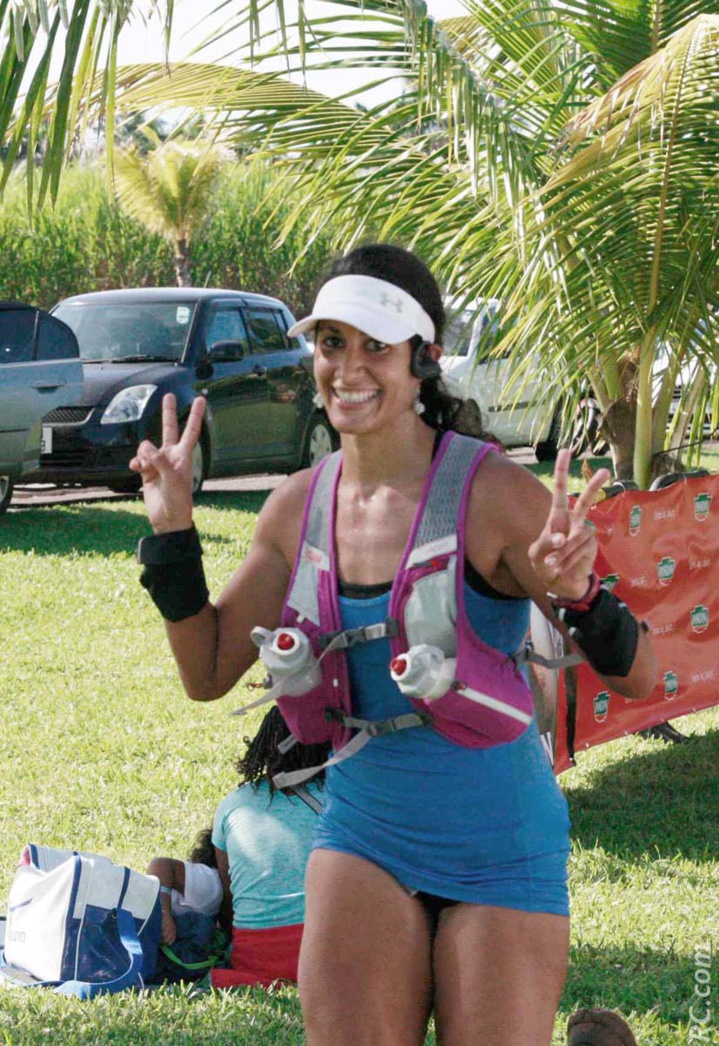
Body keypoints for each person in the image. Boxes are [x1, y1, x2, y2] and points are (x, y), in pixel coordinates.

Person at [131, 242, 657, 1045]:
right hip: (364, 837)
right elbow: (206, 672)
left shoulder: (491, 494)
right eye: (331, 342)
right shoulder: (296, 508)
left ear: (425, 359)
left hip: (499, 846)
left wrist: (582, 594)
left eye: (375, 346)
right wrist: (172, 536)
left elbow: (641, 679)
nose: (348, 368)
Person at [209, 705, 328, 989]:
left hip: (256, 958)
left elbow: (228, 893)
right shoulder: (344, 800)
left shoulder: (233, 804)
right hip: (328, 954)